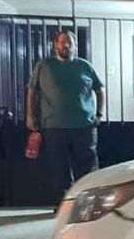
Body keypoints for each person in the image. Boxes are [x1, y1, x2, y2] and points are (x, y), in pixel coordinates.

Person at [26, 31, 104, 203]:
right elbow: (32, 91)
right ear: (55, 45)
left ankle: (87, 203)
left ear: (75, 46)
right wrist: (30, 115)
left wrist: (99, 114)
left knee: (87, 167)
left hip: (83, 125)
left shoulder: (85, 66)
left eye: (69, 42)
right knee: (59, 168)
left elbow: (99, 91)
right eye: (62, 42)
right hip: (54, 126)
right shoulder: (44, 66)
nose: (66, 45)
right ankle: (65, 205)